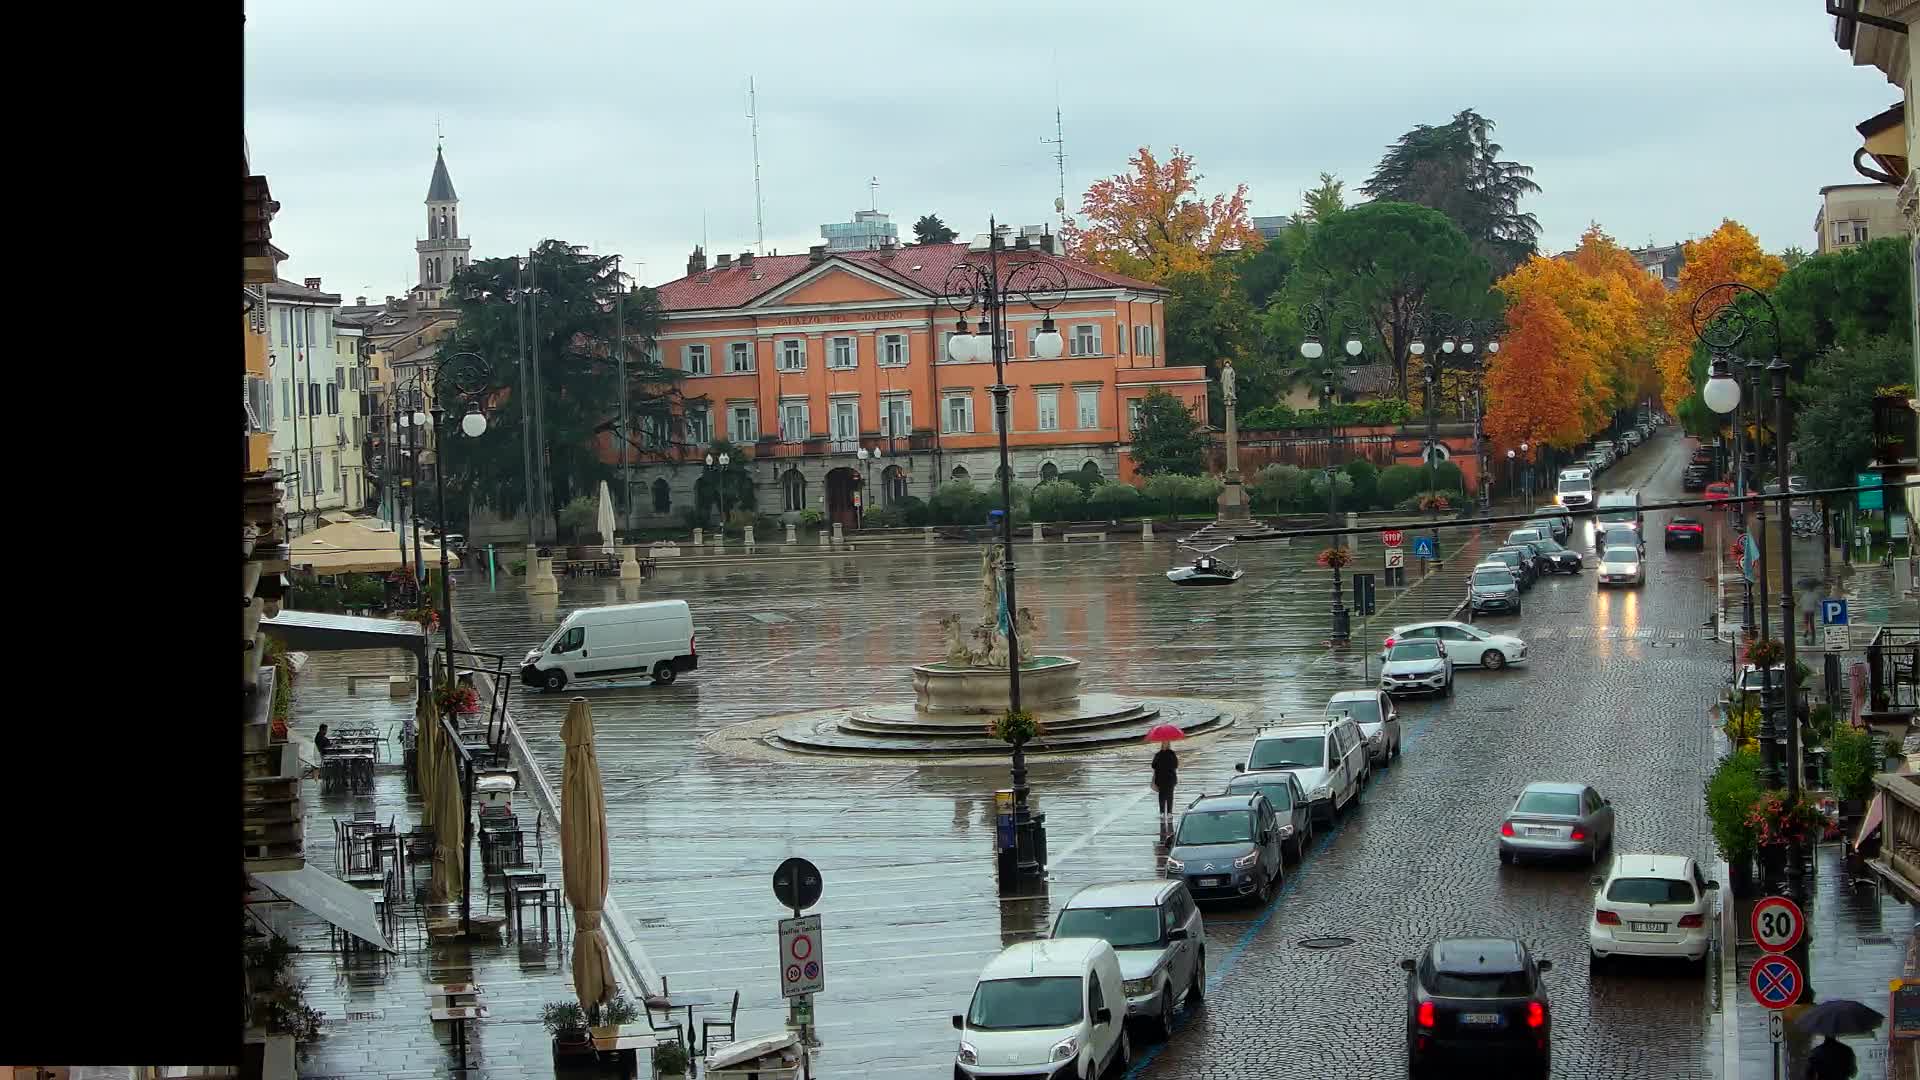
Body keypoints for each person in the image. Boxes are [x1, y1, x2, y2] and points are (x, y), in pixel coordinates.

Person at [1151, 744, 1178, 820]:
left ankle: (1169, 812)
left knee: (1169, 796)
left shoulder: (1171, 754)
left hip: (1169, 778)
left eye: (1166, 743)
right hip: (1162, 778)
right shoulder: (1158, 754)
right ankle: (1162, 812)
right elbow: (1153, 765)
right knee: (1162, 796)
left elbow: (1176, 765)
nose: (1165, 744)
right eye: (1163, 743)